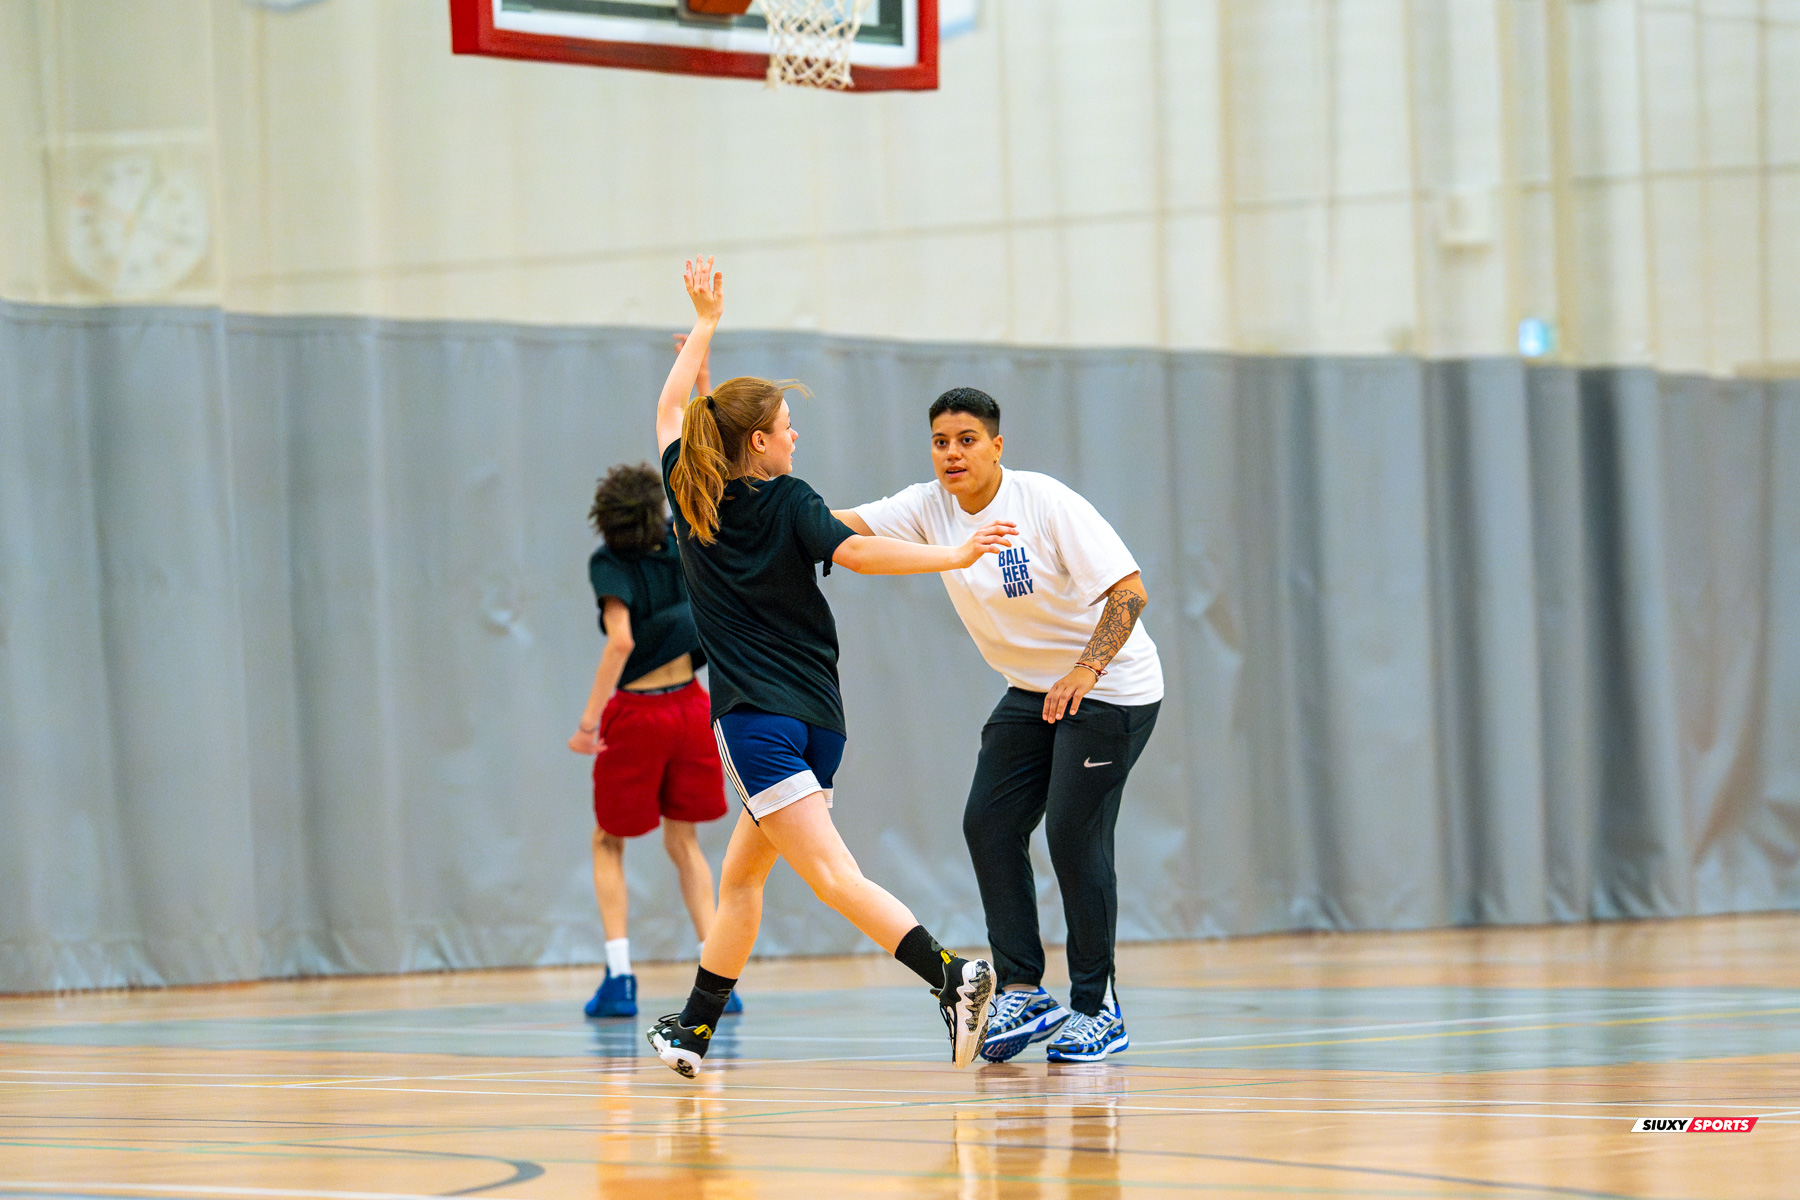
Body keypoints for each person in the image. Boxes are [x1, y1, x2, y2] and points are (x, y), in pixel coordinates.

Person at [644, 256, 1015, 1078]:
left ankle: (953, 978)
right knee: (743, 880)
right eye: (784, 425)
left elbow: (670, 409)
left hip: (755, 722)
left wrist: (705, 326)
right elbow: (861, 553)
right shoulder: (793, 502)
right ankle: (694, 1030)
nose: (795, 434)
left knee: (833, 876)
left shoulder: (689, 493)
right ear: (759, 442)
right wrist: (948, 551)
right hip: (820, 725)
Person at [835, 387, 1162, 1063]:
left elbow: (1130, 590)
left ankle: (1098, 1008)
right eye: (940, 442)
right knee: (989, 820)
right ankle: (1022, 988)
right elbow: (834, 526)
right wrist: (753, 501)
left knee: (1074, 832)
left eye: (966, 440)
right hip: (1033, 688)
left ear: (996, 446)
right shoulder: (926, 507)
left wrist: (1086, 671)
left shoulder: (1045, 502)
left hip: (1112, 687)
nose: (951, 454)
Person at [571, 434, 740, 1019]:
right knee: (685, 841)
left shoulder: (608, 563)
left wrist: (589, 722)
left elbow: (620, 639)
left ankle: (619, 980)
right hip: (692, 705)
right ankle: (720, 980)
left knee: (607, 841)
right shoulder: (679, 541)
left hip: (638, 713)